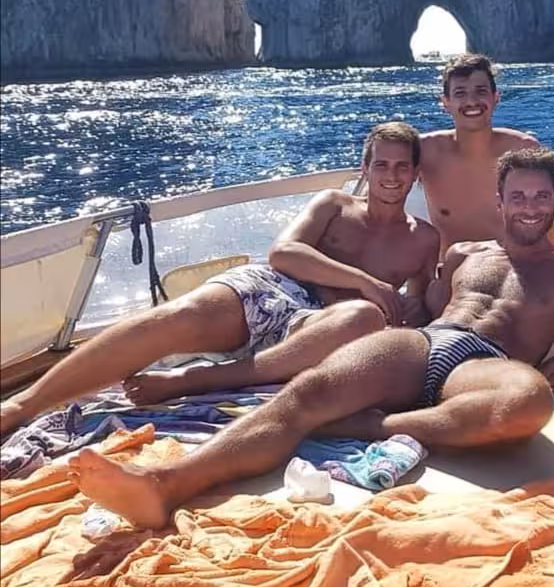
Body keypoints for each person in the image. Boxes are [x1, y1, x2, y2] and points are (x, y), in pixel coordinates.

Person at [67, 148, 554, 529]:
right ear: (501, 201)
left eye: (541, 196)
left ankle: (375, 425)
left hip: (484, 365)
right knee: (306, 393)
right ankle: (167, 484)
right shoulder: (465, 254)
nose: (530, 206)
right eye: (518, 196)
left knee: (528, 402)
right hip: (424, 343)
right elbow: (429, 305)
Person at [0, 122, 440, 434]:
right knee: (181, 316)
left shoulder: (424, 240)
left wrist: (409, 307)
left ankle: (194, 380)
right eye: (382, 165)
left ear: (416, 175)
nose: (391, 176)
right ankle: (25, 403)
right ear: (365, 169)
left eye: (403, 167)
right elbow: (284, 253)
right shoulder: (334, 204)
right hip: (276, 289)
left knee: (362, 317)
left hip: (321, 323)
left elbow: (416, 303)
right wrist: (366, 280)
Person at [420, 54, 539, 252]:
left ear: (496, 97)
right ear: (445, 102)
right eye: (460, 93)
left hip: (513, 268)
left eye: (480, 91)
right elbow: (383, 189)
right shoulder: (425, 151)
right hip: (452, 271)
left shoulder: (522, 150)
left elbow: (543, 217)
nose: (472, 101)